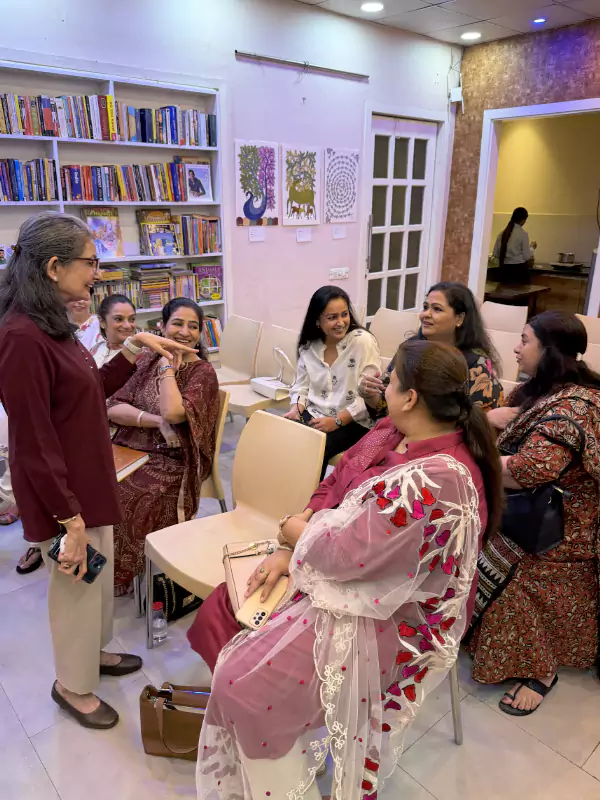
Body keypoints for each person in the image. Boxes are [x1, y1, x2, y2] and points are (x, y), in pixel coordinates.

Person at [194, 339, 502, 798]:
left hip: (390, 617)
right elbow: (336, 482)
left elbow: (346, 555)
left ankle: (275, 754)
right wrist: (290, 543)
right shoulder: (392, 431)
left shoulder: (437, 476)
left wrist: (293, 534)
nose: (383, 385)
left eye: (390, 379)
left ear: (411, 396)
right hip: (339, 564)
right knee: (225, 607)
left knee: (242, 685)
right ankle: (281, 737)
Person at [0, 212, 195, 730]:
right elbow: (35, 440)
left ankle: (97, 653)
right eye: (90, 262)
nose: (96, 273)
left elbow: (86, 394)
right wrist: (69, 517)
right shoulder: (21, 337)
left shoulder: (51, 322)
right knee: (76, 589)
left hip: (88, 474)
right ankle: (72, 684)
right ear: (54, 266)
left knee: (97, 580)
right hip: (62, 488)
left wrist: (132, 350)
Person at [465, 311, 600, 716]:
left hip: (562, 526)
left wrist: (470, 457)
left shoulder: (574, 405)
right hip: (529, 506)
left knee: (507, 569)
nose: (515, 347)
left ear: (550, 350)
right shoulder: (538, 389)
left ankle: (541, 670)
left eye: (525, 340)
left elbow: (526, 472)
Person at [107, 298, 219, 596]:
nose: (185, 332)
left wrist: (168, 366)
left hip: (174, 459)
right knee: (91, 481)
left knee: (132, 493)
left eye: (193, 326)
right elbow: (112, 406)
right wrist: (154, 421)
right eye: (177, 324)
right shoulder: (144, 359)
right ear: (162, 326)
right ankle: (100, 562)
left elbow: (174, 413)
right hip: (130, 446)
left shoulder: (202, 372)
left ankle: (129, 571)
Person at [360, 282, 504, 418]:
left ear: (459, 318)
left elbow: (476, 422)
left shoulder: (475, 363)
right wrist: (371, 396)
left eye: (437, 309)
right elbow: (385, 407)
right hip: (399, 432)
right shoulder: (411, 348)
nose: (425, 314)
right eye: (425, 307)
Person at [285, 286, 380, 478]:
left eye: (344, 314)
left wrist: (337, 420)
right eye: (332, 317)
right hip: (316, 412)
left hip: (354, 419)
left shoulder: (363, 342)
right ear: (317, 321)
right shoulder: (309, 346)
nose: (340, 322)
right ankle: (286, 497)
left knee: (315, 448)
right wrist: (297, 408)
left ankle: (308, 504)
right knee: (286, 437)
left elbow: (370, 393)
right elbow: (301, 386)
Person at [491, 206, 537, 284]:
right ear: (523, 220)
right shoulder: (523, 234)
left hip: (504, 271)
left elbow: (495, 253)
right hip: (518, 272)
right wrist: (532, 248)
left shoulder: (502, 234)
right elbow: (527, 257)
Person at [90, 294, 137, 368]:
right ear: (102, 322)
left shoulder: (144, 355)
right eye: (119, 319)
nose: (127, 326)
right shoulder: (96, 349)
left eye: (132, 319)